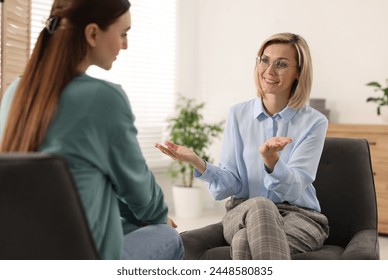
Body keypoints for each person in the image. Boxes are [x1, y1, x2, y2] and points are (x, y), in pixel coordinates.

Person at [0, 0, 183, 260]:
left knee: (131, 223)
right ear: (93, 33)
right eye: (123, 33)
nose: (125, 44)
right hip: (84, 259)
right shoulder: (104, 99)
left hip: (24, 255)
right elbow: (141, 194)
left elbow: (76, 182)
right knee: (169, 236)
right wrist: (159, 218)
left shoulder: (14, 93)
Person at [156, 32, 329, 260]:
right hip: (242, 213)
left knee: (243, 241)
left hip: (300, 217)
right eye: (264, 60)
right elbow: (230, 184)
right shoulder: (238, 114)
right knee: (260, 205)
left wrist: (272, 161)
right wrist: (198, 162)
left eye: (281, 64)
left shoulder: (314, 122)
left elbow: (295, 189)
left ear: (299, 72)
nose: (269, 70)